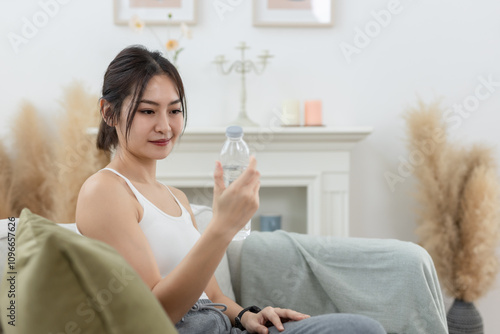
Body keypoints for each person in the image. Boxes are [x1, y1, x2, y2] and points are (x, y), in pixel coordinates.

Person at [75, 45, 386, 334]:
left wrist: (246, 315)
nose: (165, 127)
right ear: (109, 112)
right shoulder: (104, 191)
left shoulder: (176, 198)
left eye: (174, 110)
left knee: (360, 327)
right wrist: (222, 227)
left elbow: (212, 294)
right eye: (147, 111)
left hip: (222, 325)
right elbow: (156, 314)